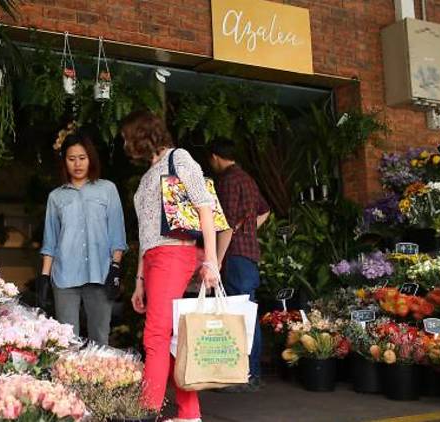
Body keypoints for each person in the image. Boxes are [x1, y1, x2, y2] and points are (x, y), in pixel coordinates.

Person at [121, 110, 221, 422]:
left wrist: (211, 261)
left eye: (127, 137)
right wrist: (138, 279)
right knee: (172, 337)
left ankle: (146, 413)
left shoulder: (179, 158)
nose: (125, 143)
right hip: (153, 259)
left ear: (140, 135)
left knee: (156, 335)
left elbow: (205, 207)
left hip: (174, 254)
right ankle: (189, 414)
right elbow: (145, 232)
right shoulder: (148, 174)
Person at [37, 132, 127, 345]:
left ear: (91, 159)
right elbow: (50, 241)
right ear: (64, 162)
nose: (77, 164)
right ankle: (68, 379)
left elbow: (117, 235)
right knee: (67, 341)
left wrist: (115, 268)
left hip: (100, 274)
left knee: (100, 337)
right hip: (65, 276)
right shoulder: (56, 197)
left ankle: (97, 379)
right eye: (71, 159)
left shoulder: (107, 190)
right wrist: (43, 277)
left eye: (82, 158)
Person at [209, 141, 270, 392]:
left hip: (234, 255)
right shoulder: (248, 179)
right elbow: (265, 211)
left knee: (237, 315)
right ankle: (251, 373)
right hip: (250, 255)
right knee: (248, 312)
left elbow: (226, 223)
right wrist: (249, 230)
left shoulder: (227, 181)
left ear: (215, 157)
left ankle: (242, 375)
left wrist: (217, 259)